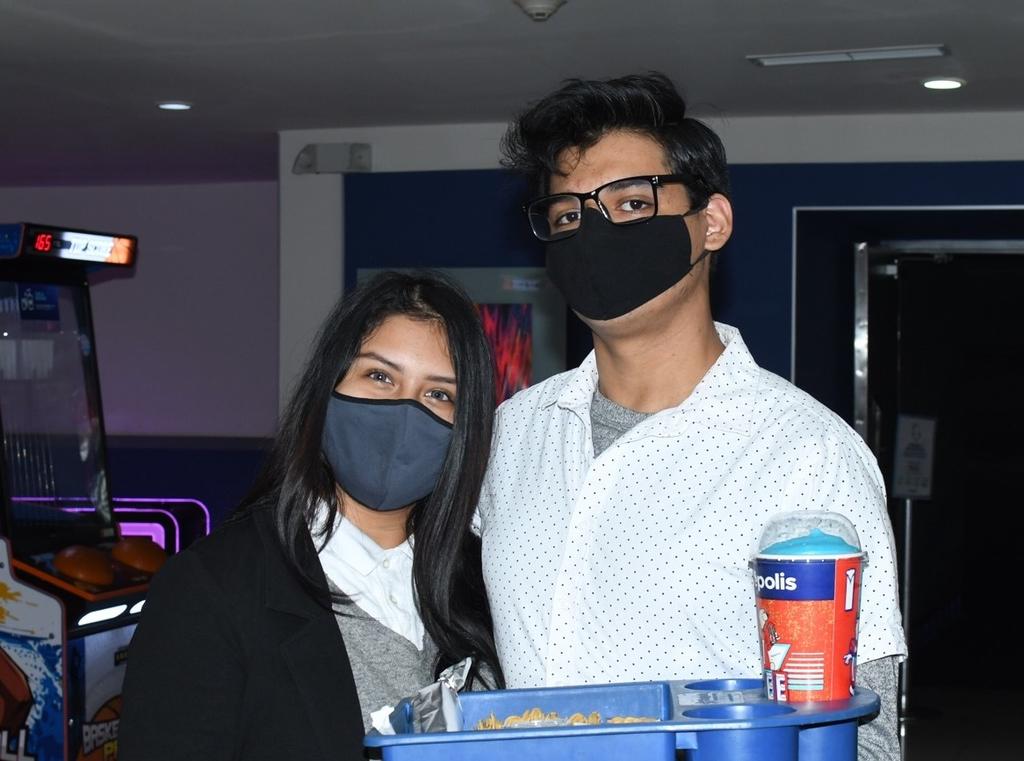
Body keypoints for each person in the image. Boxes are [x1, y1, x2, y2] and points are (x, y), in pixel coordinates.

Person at [476, 73, 906, 760]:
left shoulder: (807, 453)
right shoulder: (511, 434)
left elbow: (865, 733)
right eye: (567, 216)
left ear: (712, 222)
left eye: (631, 202)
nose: (594, 233)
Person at [119, 271, 503, 761]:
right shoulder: (212, 589)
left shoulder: (488, 582)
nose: (405, 411)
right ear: (327, 386)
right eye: (380, 377)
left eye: (439, 395)